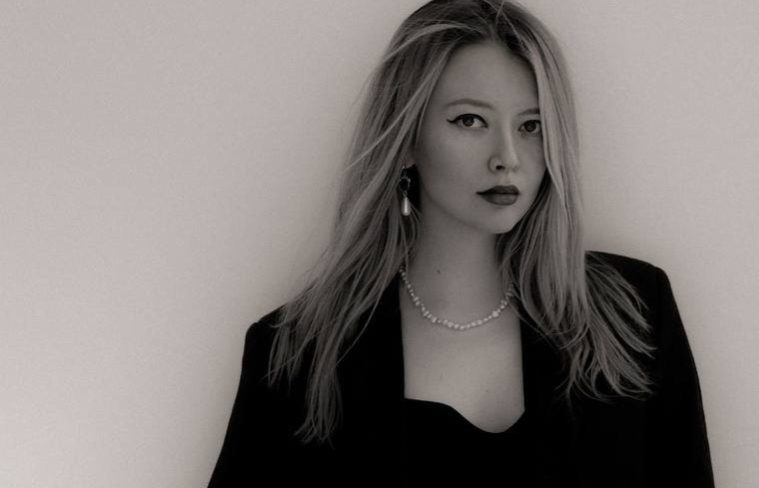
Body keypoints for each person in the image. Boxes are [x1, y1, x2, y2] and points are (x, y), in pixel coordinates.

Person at [208, 0, 714, 486]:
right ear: (407, 137)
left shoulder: (635, 313)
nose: (507, 157)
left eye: (532, 126)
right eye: (470, 120)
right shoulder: (296, 354)